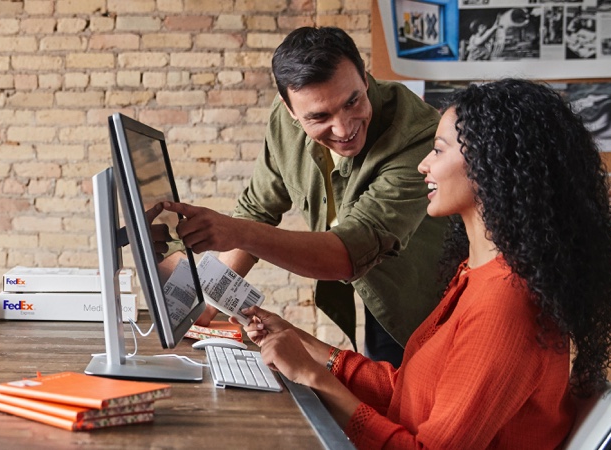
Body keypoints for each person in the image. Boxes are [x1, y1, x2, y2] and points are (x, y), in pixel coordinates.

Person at [239, 79, 611, 448]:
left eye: (439, 150)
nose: (423, 165)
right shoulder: (475, 273)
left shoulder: (505, 305)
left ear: (492, 166)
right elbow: (407, 392)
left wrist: (312, 377)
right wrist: (301, 343)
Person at [162, 27, 446, 367]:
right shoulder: (285, 120)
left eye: (352, 101)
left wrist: (234, 232)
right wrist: (208, 305)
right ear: (290, 109)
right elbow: (258, 209)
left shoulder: (416, 133)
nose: (344, 128)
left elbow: (352, 251)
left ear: (365, 77)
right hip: (377, 296)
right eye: (319, 117)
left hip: (428, 304)